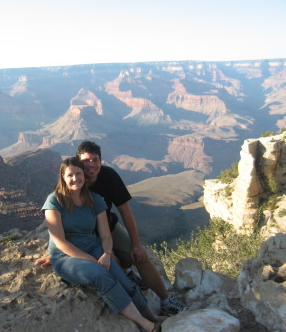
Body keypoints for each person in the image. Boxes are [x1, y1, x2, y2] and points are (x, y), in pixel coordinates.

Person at [36, 141, 185, 315]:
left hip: (108, 227)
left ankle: (166, 300)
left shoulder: (109, 177)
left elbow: (126, 212)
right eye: (86, 161)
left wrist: (136, 244)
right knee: (109, 261)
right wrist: (56, 253)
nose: (91, 165)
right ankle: (127, 276)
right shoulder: (72, 178)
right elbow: (61, 220)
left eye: (95, 159)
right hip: (86, 236)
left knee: (140, 257)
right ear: (78, 161)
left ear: (101, 161)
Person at [42, 157, 164, 332]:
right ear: (62, 177)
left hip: (95, 250)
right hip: (65, 258)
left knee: (124, 280)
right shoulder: (55, 201)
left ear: (84, 176)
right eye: (70, 175)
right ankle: (145, 324)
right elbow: (60, 242)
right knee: (100, 274)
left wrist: (106, 254)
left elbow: (106, 235)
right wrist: (90, 259)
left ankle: (152, 316)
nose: (75, 178)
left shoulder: (95, 200)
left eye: (79, 174)